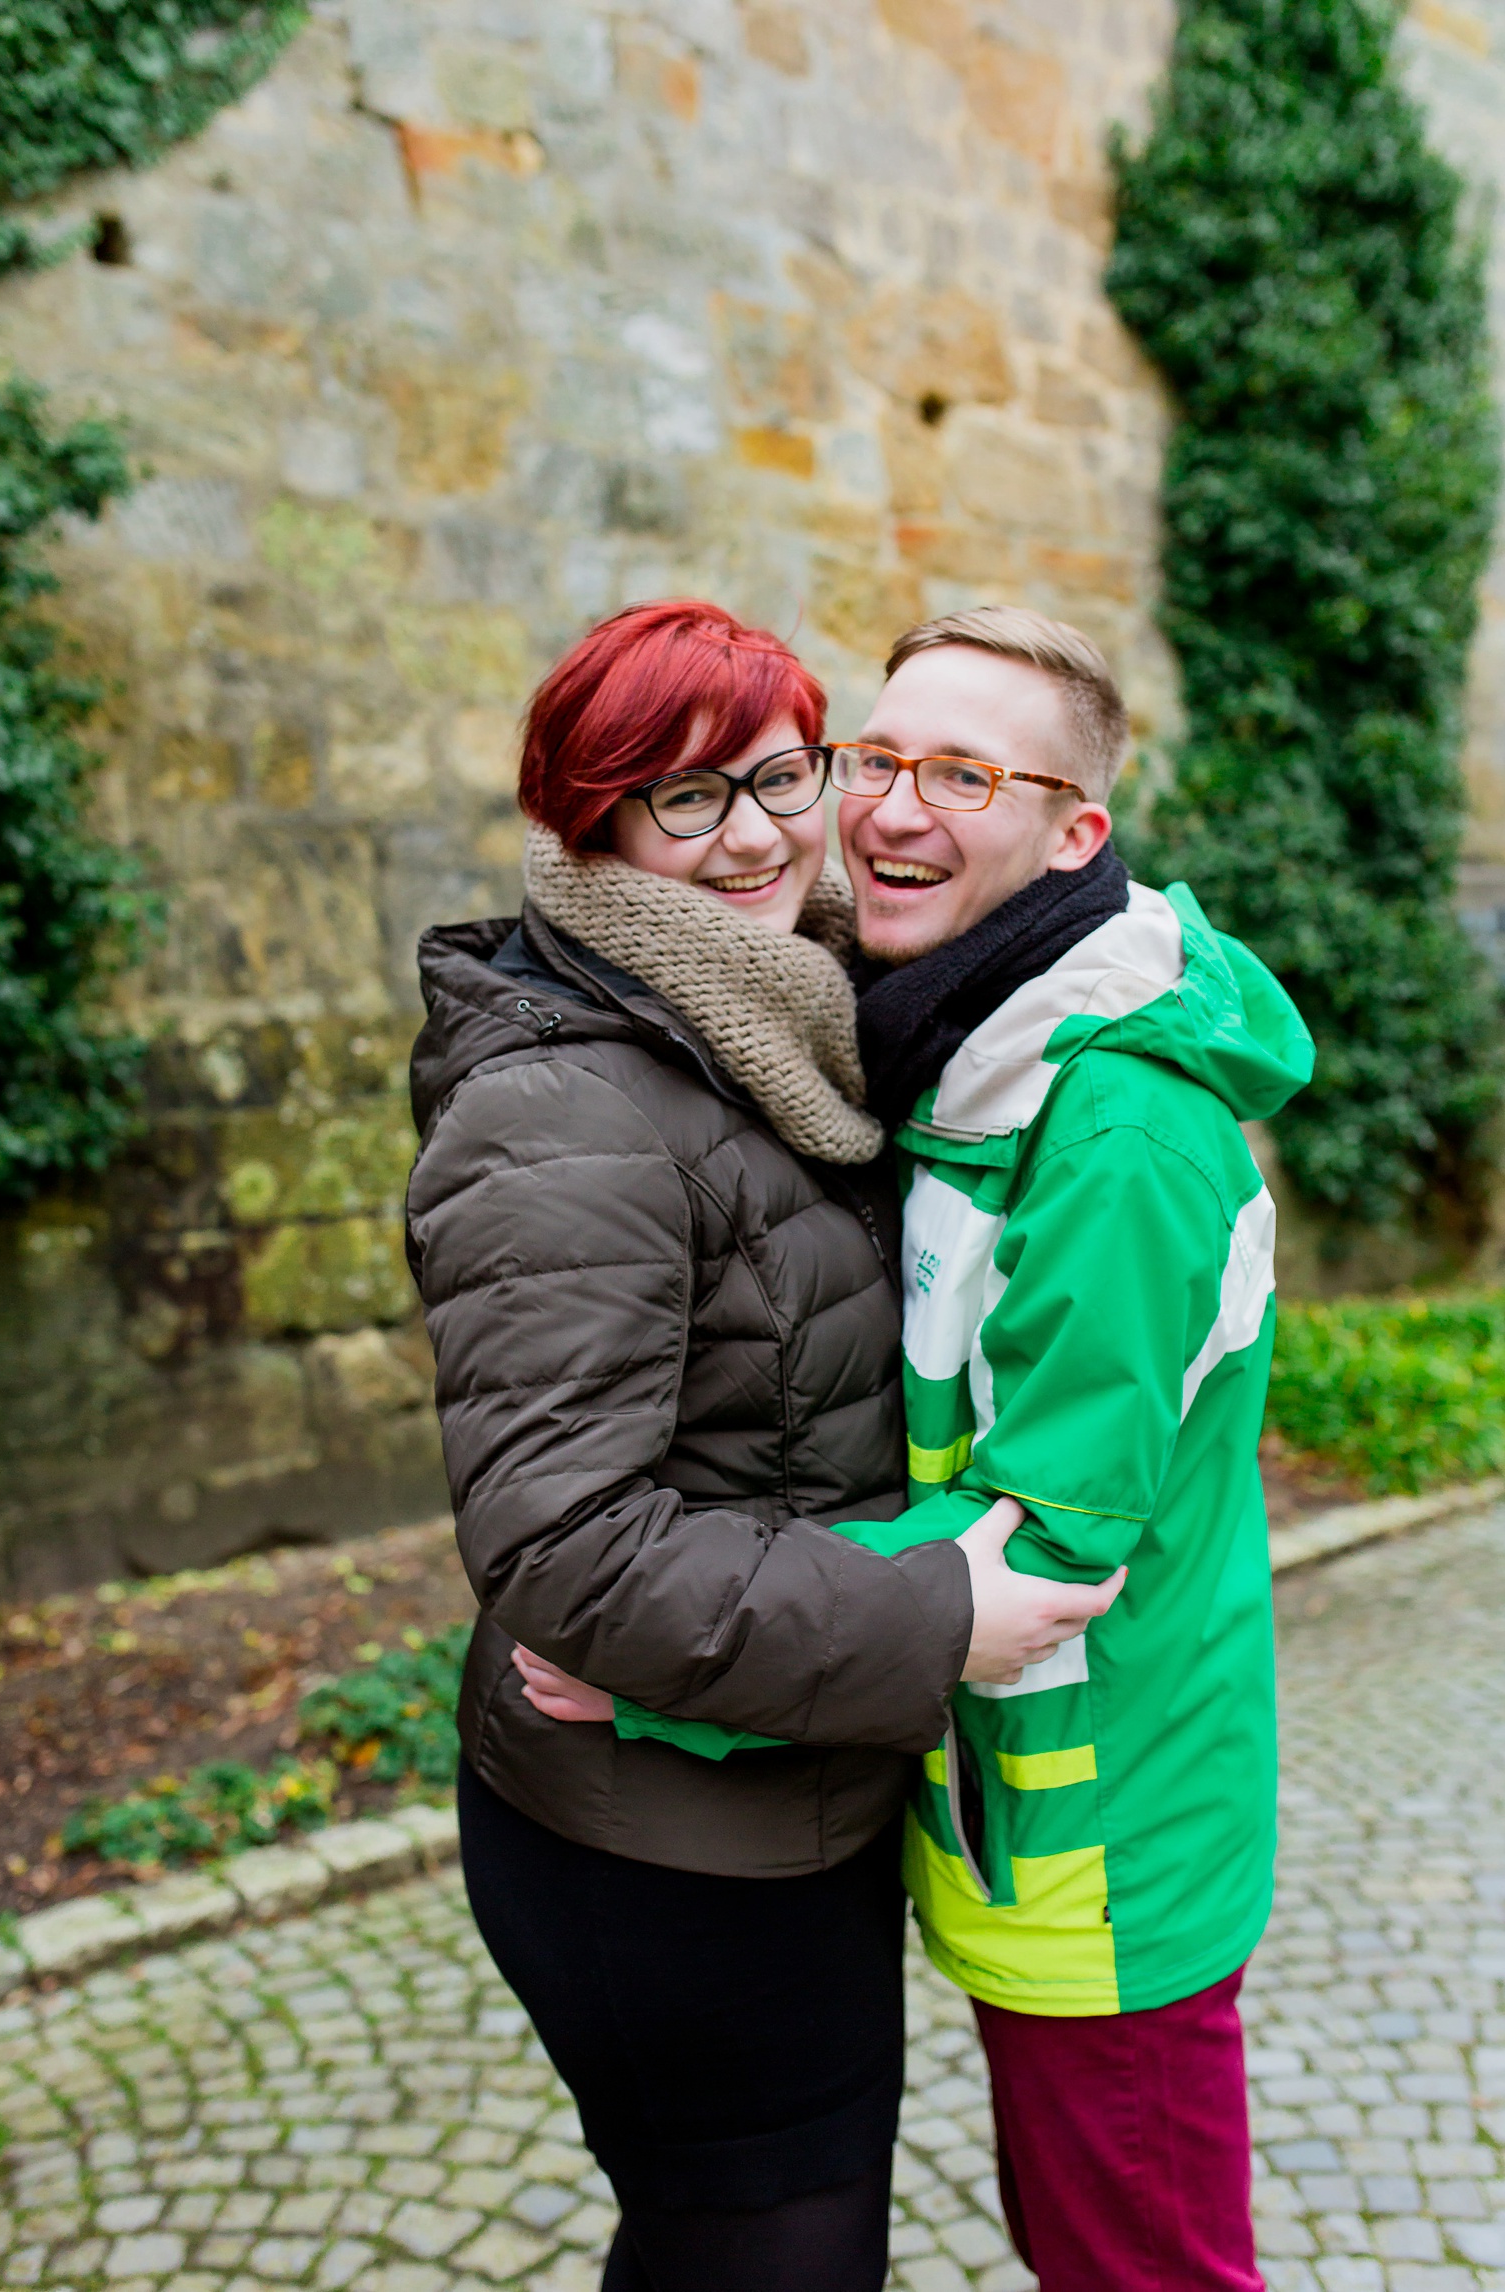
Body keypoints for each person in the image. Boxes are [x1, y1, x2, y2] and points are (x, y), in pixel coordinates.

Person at [540, 605, 1314, 2290]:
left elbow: (1052, 1549)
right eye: (879, 757)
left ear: (1073, 833)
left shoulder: (1114, 1134)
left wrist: (674, 1666)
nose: (891, 808)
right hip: (1005, 1821)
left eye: (965, 773)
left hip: (1107, 1848)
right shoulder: (960, 1061)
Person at [404, 599, 1120, 2292]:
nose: (759, 835)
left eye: (783, 774)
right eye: (684, 797)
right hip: (651, 1840)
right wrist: (934, 1617)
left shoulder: (798, 1016)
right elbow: (564, 1549)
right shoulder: (566, 1100)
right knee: (772, 2254)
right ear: (591, 825)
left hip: (774, 1777)